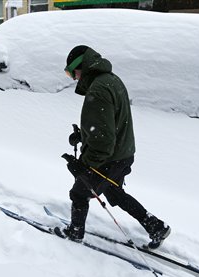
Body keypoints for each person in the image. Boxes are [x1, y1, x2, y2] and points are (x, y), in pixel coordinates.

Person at [58, 45, 171, 250]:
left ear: (81, 67)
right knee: (113, 192)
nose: (73, 78)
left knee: (79, 193)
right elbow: (109, 124)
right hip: (123, 154)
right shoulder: (111, 80)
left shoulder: (98, 89)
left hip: (108, 158)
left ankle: (75, 233)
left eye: (72, 72)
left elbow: (103, 140)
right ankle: (155, 226)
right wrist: (83, 136)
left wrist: (84, 166)